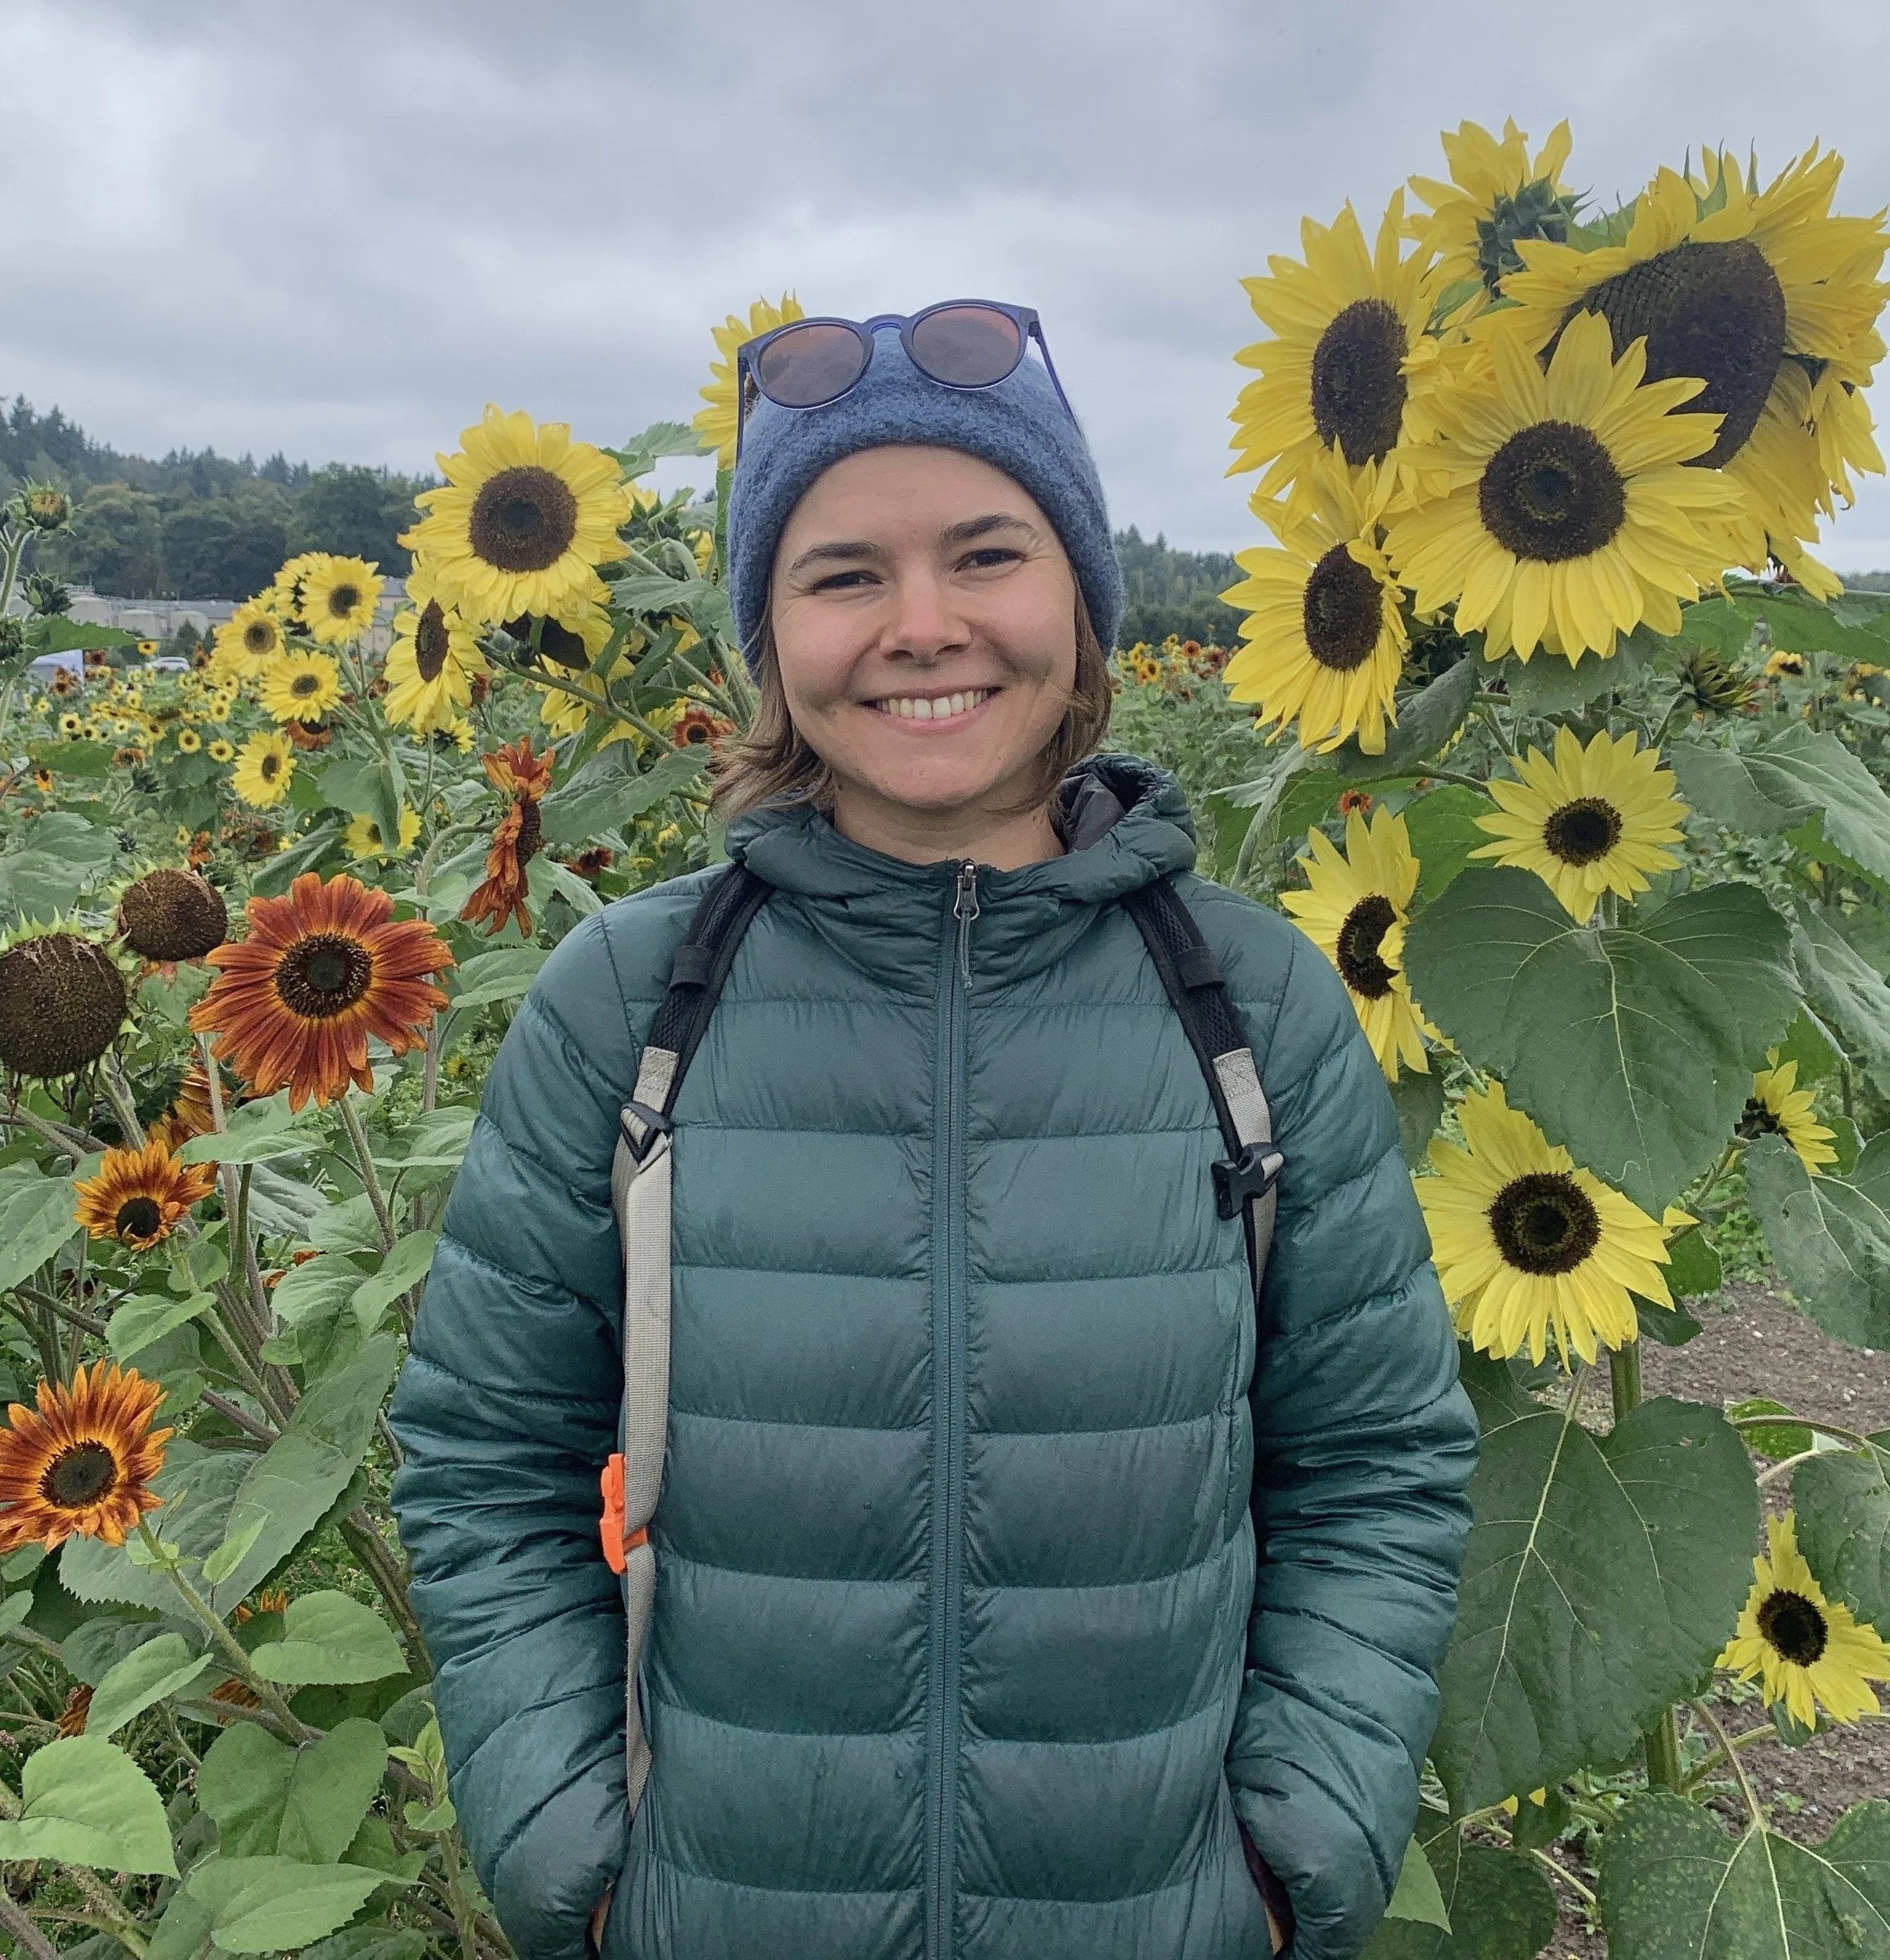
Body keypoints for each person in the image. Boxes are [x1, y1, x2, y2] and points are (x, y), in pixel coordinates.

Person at [389, 303, 1478, 1960]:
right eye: (841, 575)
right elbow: (484, 1453)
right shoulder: (635, 1003)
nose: (920, 625)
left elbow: (1373, 1458)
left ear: (1079, 600)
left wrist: (1295, 1846)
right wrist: (569, 1853)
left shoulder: (1244, 1007)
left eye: (985, 553)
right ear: (768, 632)